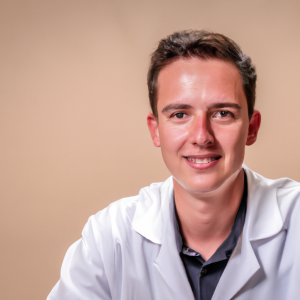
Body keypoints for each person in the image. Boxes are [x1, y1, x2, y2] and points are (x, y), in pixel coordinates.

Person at [47, 30, 300, 300]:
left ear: (252, 128)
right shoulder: (110, 237)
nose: (201, 136)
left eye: (222, 114)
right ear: (155, 131)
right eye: (180, 114)